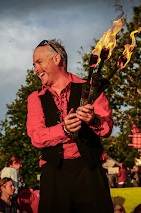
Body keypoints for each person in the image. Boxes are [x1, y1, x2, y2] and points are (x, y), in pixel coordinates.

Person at [26, 39, 114, 212]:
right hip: (54, 174)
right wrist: (64, 129)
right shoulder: (35, 98)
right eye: (34, 64)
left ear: (57, 59)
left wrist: (93, 120)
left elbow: (107, 127)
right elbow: (36, 137)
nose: (35, 69)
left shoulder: (90, 88)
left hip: (89, 171)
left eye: (39, 62)